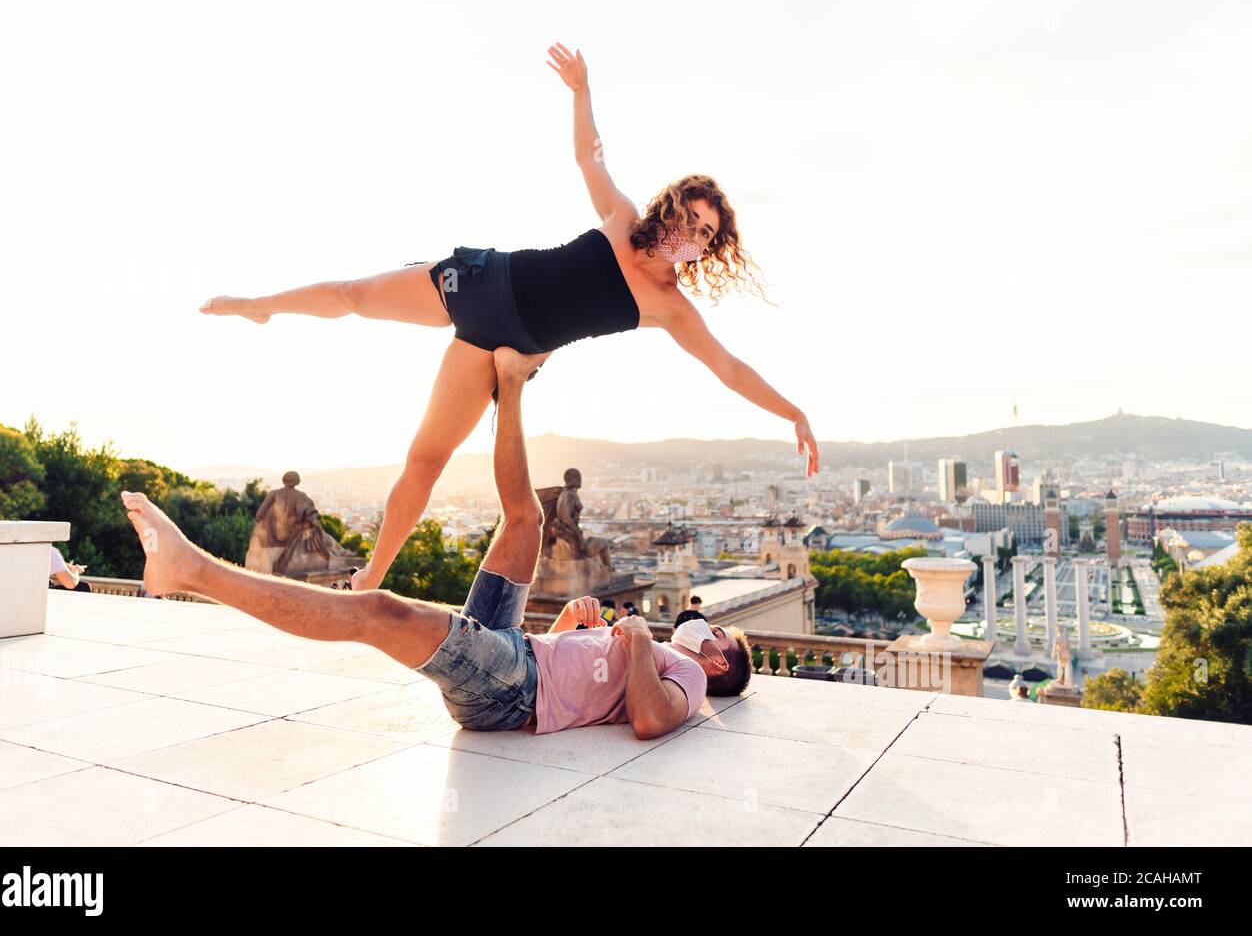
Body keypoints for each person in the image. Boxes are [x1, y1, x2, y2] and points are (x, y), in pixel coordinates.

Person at [199, 41, 820, 594]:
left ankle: (371, 577)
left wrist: (792, 411)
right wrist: (582, 91)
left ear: (710, 247)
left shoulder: (671, 309)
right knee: (353, 294)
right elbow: (589, 158)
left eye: (707, 233)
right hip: (484, 282)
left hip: (505, 343)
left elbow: (729, 368)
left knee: (426, 459)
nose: (693, 232)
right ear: (671, 207)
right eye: (690, 215)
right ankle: (260, 307)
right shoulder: (622, 220)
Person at [119, 349, 752, 738]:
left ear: (721, 664)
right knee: (524, 522)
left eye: (720, 636)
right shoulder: (664, 657)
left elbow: (649, 719)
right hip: (523, 654)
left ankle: (195, 572)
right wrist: (573, 625)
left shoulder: (691, 679)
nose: (707, 629)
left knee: (378, 613)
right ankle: (512, 384)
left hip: (512, 691)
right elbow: (586, 680)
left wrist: (640, 637)